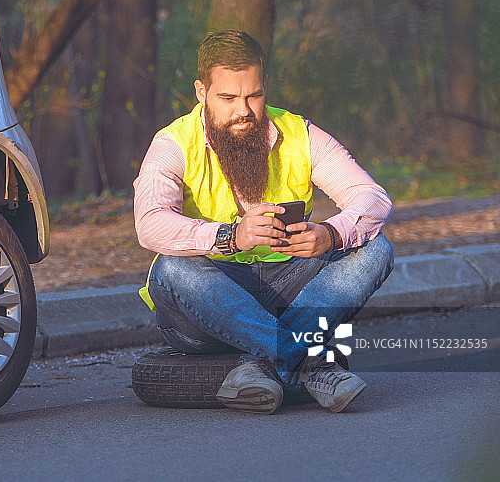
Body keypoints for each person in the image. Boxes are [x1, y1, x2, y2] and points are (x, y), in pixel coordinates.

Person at [133, 30, 394, 414]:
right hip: (204, 304)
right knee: (172, 269)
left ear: (265, 86)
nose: (244, 110)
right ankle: (306, 362)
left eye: (253, 95)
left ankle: (261, 361)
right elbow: (150, 224)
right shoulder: (173, 142)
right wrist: (230, 236)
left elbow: (372, 196)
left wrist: (331, 234)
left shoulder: (299, 132)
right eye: (227, 98)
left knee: (375, 248)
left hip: (285, 290)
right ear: (201, 92)